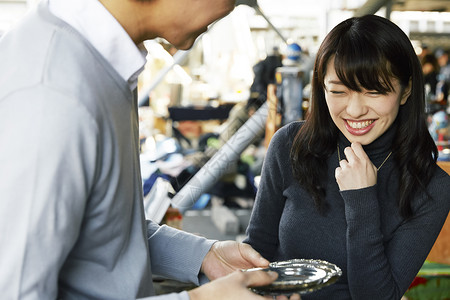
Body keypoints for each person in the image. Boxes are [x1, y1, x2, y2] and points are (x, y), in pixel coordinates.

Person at [0, 0, 302, 299]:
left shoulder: (102, 64)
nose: (232, 5)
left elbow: (105, 228)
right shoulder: (53, 93)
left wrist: (203, 255)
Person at [244, 14, 450, 299]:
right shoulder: (291, 146)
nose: (354, 110)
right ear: (321, 87)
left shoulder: (430, 186)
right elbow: (255, 254)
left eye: (374, 91)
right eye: (339, 91)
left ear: (406, 90)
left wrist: (362, 200)